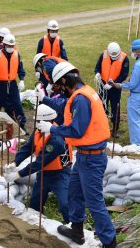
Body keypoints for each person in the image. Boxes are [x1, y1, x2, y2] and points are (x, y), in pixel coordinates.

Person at [36, 62, 116, 248]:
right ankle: (77, 230)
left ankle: (110, 242)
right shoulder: (84, 92)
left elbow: (77, 130)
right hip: (84, 156)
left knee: (95, 202)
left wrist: (53, 129)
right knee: (74, 192)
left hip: (92, 158)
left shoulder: (81, 99)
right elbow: (67, 109)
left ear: (65, 80)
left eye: (59, 85)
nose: (60, 90)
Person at [4, 104, 72, 224]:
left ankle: (73, 227)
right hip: (44, 173)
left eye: (39, 121)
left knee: (65, 204)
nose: (36, 123)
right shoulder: (39, 131)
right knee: (36, 201)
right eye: (37, 121)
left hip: (60, 174)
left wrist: (18, 175)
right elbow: (28, 147)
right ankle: (36, 223)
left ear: (49, 121)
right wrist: (15, 162)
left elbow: (40, 162)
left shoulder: (56, 139)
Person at [110, 39, 140, 149]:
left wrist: (119, 85)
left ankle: (136, 145)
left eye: (134, 51)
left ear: (138, 52)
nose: (133, 53)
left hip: (136, 96)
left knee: (134, 121)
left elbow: (132, 85)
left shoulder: (138, 65)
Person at [0, 34, 27, 132]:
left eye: (12, 46)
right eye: (8, 46)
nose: (10, 48)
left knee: (17, 104)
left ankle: (22, 125)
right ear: (4, 45)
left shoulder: (17, 54)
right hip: (0, 84)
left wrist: (21, 79)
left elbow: (20, 68)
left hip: (12, 83)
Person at [94, 42, 129, 137]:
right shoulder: (104, 55)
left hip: (115, 88)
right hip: (103, 86)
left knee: (115, 108)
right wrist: (97, 73)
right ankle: (102, 127)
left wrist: (113, 84)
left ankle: (115, 129)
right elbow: (97, 67)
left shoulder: (124, 58)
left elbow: (124, 74)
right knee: (101, 106)